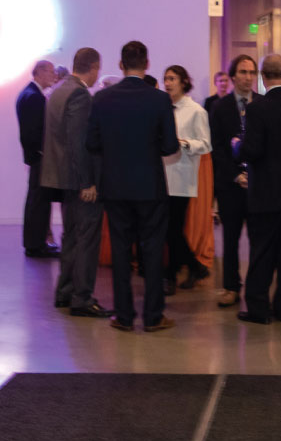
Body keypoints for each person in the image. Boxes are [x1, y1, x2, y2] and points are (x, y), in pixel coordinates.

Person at [86, 40, 180, 332]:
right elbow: (169, 147)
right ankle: (153, 316)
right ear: (147, 65)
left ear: (120, 65)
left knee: (121, 251)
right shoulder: (159, 100)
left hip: (115, 187)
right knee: (152, 252)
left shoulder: (102, 99)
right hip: (150, 187)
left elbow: (91, 143)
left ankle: (124, 316)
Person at [40, 47, 110, 317]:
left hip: (62, 179)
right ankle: (82, 298)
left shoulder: (58, 90)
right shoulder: (80, 94)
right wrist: (87, 183)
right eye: (98, 70)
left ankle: (65, 292)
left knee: (70, 237)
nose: (97, 75)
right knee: (86, 240)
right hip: (77, 180)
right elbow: (78, 142)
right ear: (93, 67)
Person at [235, 54, 281, 324]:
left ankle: (259, 309)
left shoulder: (258, 108)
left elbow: (253, 150)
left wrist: (236, 145)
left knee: (261, 252)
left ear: (262, 76)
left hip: (265, 194)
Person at [210, 55, 258, 308]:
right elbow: (217, 149)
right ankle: (230, 286)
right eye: (243, 72)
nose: (248, 77)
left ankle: (255, 287)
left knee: (258, 239)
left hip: (258, 185)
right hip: (230, 184)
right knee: (230, 238)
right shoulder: (220, 107)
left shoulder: (262, 104)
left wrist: (254, 174)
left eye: (252, 72)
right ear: (233, 76)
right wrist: (235, 174)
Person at [162, 65, 211, 294]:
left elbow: (206, 144)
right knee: (168, 228)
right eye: (166, 79)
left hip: (182, 176)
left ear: (183, 81)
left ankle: (174, 274)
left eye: (172, 78)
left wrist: (185, 144)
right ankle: (193, 267)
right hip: (162, 175)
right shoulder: (162, 107)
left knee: (172, 229)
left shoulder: (196, 111)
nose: (168, 83)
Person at [16, 59, 59, 258]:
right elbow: (33, 133)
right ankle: (36, 245)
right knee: (39, 202)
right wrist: (41, 153)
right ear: (40, 72)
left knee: (36, 201)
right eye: (50, 71)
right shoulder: (35, 97)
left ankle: (35, 242)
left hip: (34, 158)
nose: (54, 75)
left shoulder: (27, 94)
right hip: (40, 158)